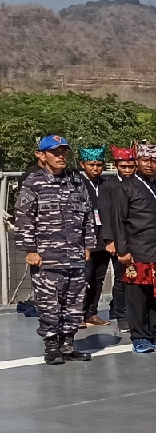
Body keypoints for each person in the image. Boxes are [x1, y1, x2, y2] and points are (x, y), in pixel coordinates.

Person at [13, 135, 97, 363]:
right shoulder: (34, 183)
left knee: (75, 302)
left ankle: (68, 345)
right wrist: (30, 249)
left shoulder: (76, 180)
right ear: (42, 155)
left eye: (63, 152)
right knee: (49, 303)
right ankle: (52, 346)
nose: (61, 157)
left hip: (75, 255)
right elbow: (23, 218)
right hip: (47, 257)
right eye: (55, 152)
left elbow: (87, 214)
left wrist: (88, 244)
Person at [109, 143, 156, 352]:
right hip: (137, 251)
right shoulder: (126, 187)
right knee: (137, 296)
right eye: (145, 160)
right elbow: (118, 221)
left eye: (155, 161)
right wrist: (122, 250)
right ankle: (140, 336)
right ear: (137, 162)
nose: (150, 165)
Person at [70, 146, 115, 327]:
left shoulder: (105, 184)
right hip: (84, 239)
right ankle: (78, 314)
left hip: (102, 237)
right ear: (83, 164)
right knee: (83, 278)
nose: (95, 168)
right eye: (91, 164)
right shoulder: (76, 184)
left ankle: (91, 312)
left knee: (98, 277)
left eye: (99, 164)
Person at [101, 146, 137, 329]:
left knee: (137, 278)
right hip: (118, 239)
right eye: (124, 166)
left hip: (138, 239)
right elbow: (105, 214)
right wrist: (110, 240)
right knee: (121, 279)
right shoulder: (109, 186)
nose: (128, 170)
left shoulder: (139, 184)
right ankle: (121, 314)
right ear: (116, 166)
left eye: (131, 166)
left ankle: (135, 313)